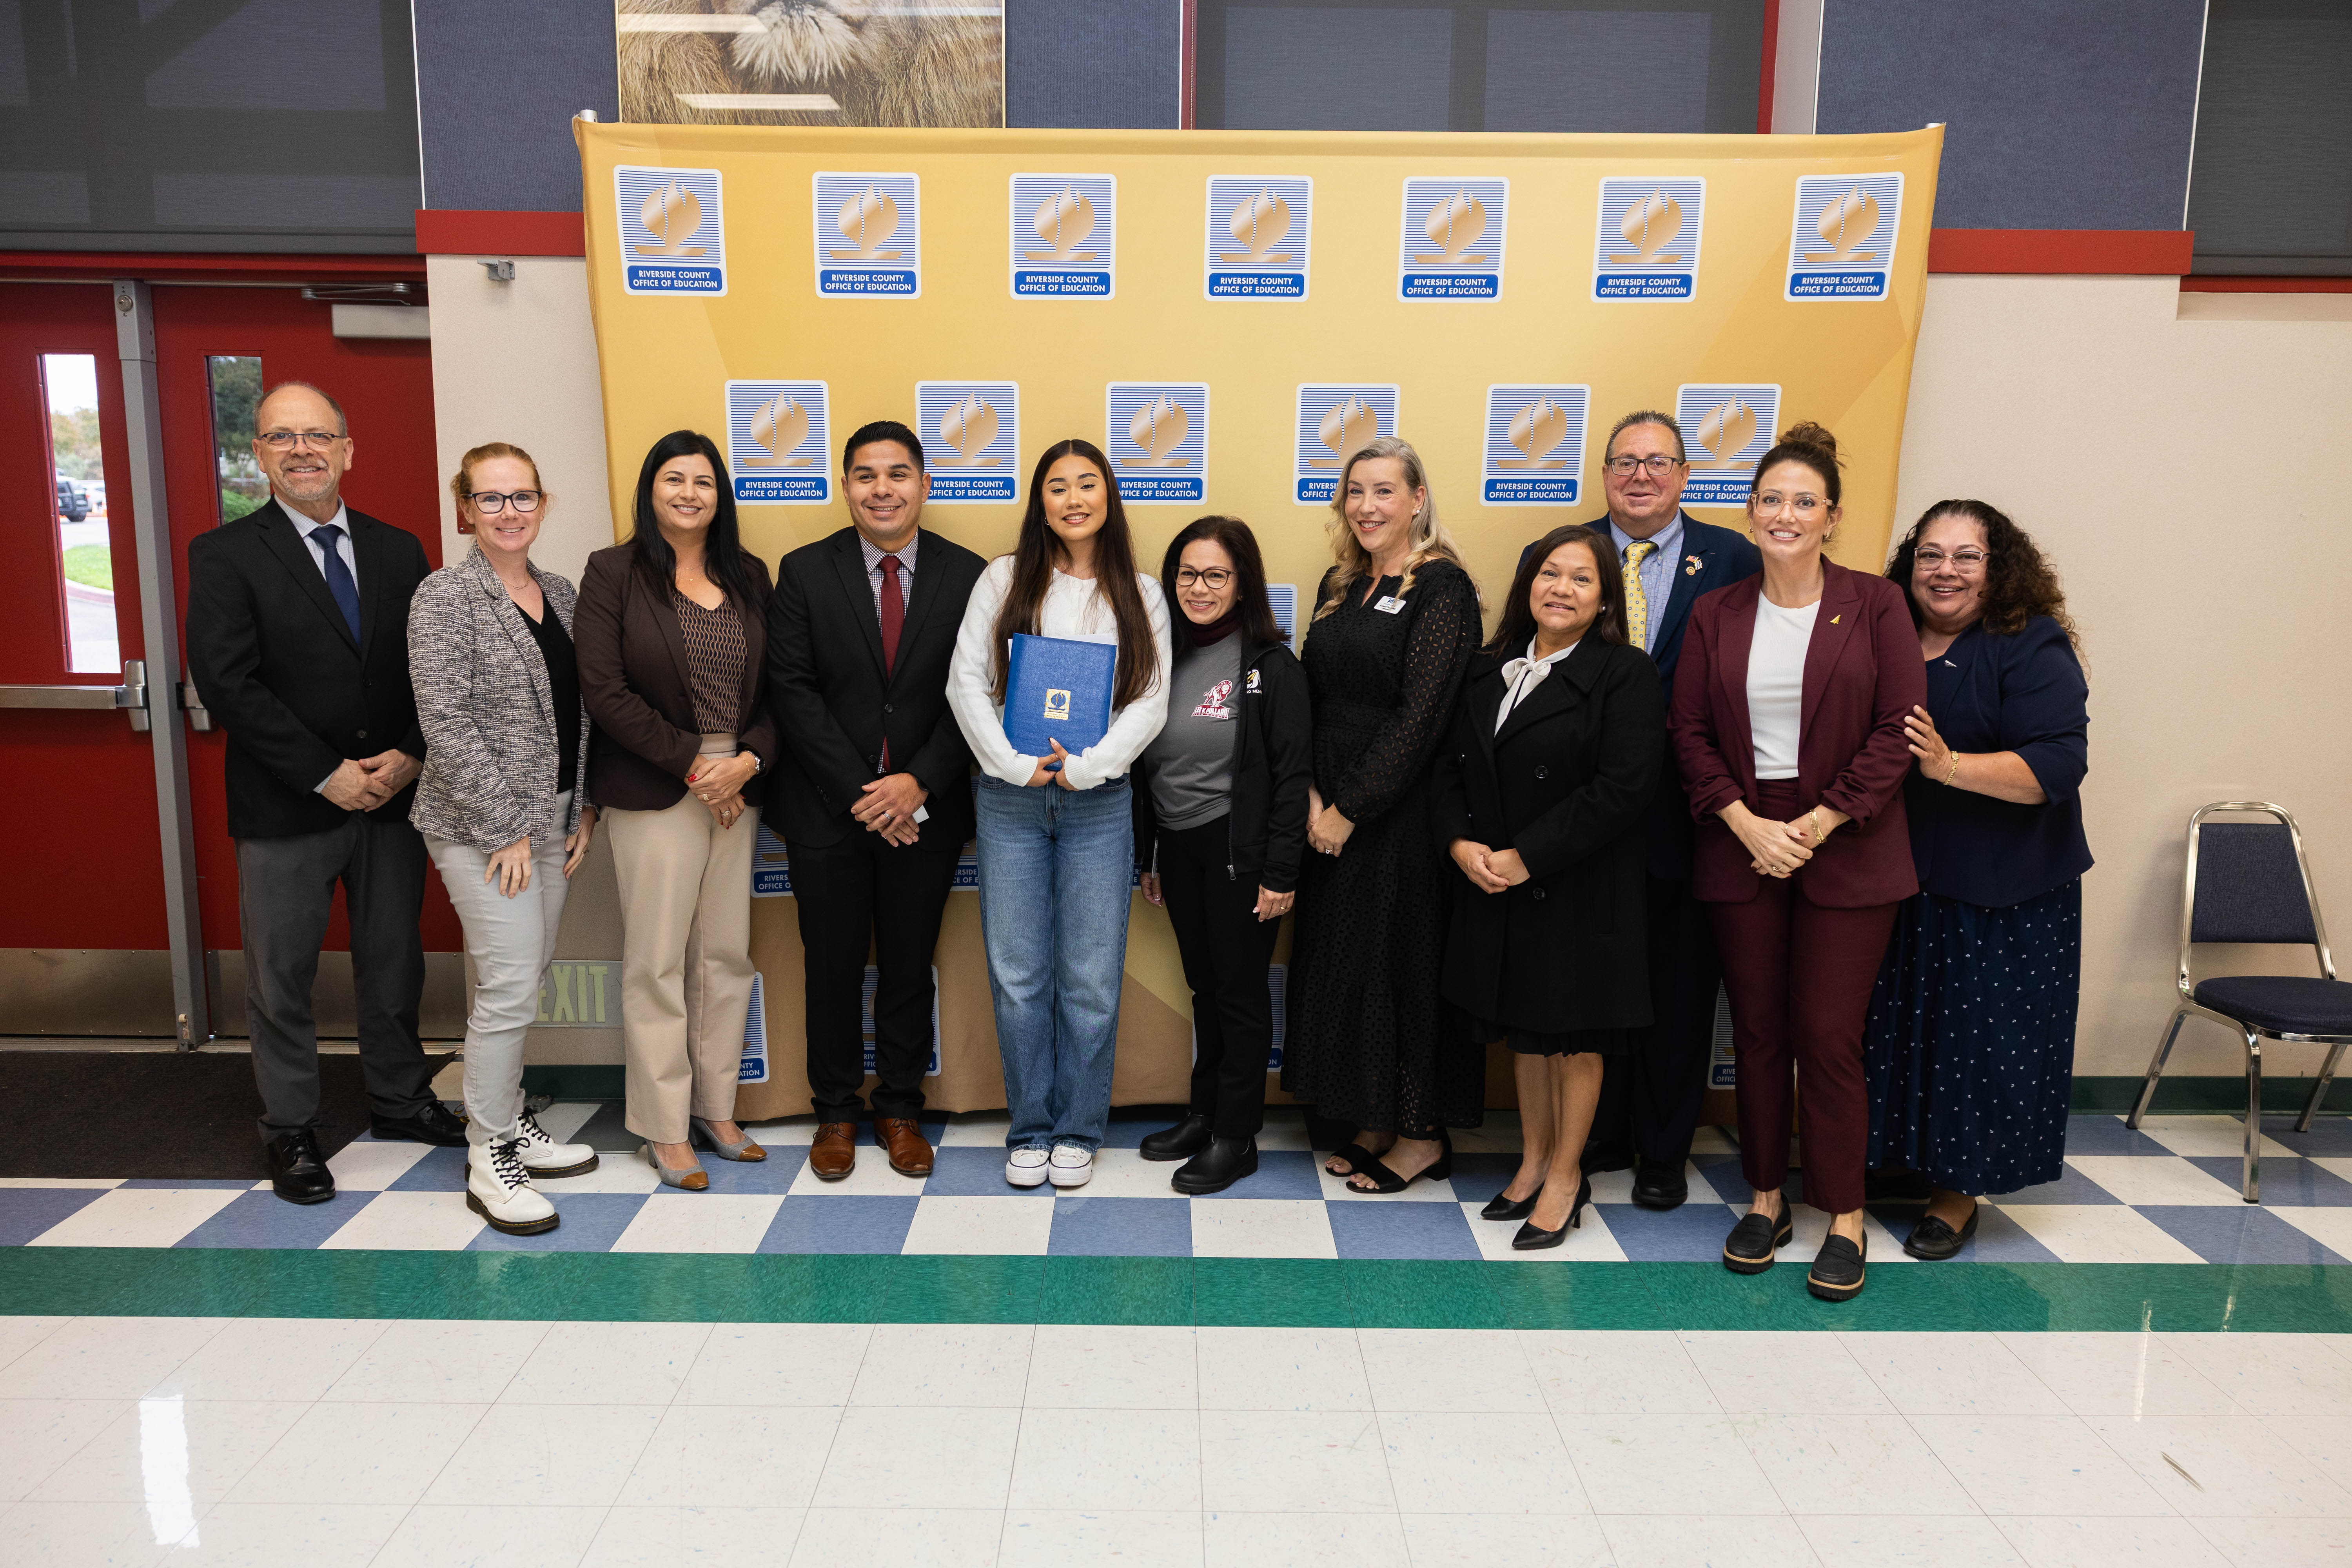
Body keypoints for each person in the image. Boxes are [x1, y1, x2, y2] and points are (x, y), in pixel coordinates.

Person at [186, 380, 464, 1205]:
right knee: (281, 977)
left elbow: (430, 669)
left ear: (348, 450)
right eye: (282, 437)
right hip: (287, 804)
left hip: (391, 797)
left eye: (317, 436)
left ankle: (401, 1097)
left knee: (394, 961)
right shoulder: (224, 554)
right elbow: (228, 683)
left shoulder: (399, 549)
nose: (301, 450)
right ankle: (292, 1127)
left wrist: (410, 755)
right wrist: (324, 772)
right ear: (258, 454)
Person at [1671, 422, 1924, 1301]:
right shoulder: (1717, 612)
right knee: (1759, 1032)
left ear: (1832, 517)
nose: (1785, 514)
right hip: (1742, 842)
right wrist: (1747, 824)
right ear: (1750, 512)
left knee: (1828, 1036)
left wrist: (1814, 824)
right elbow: (1689, 733)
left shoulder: (1877, 604)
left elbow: (1899, 730)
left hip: (1847, 843)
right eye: (1771, 499)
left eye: (1804, 502)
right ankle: (1766, 1199)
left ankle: (1844, 1215)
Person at [1522, 410, 1761, 1210]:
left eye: (1659, 461)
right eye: (1625, 461)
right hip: (1578, 812)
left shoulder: (1734, 558)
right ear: (1603, 475)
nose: (1641, 475)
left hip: (1689, 810)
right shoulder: (1562, 553)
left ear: (1686, 476)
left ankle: (1663, 1149)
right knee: (1589, 980)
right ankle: (1592, 1139)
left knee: (1678, 982)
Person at [1866, 500, 2091, 1259]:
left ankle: (1957, 1195)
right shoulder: (1887, 632)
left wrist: (1949, 765)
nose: (1946, 571)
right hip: (1904, 876)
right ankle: (1895, 1161)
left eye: (1967, 556)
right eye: (1930, 555)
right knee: (1901, 1029)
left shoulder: (2030, 643)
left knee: (1979, 1042)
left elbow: (2057, 766)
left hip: (2004, 890)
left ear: (2000, 569)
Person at [948, 438, 1172, 1189]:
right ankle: (1031, 1129)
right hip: (1009, 800)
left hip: (1099, 804)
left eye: (1087, 484)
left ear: (1109, 497)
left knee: (1091, 978)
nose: (1074, 499)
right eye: (1057, 487)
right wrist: (1015, 765)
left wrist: (1087, 767)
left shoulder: (1141, 592)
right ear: (1040, 504)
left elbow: (1151, 701)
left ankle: (1078, 1129)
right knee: (1018, 975)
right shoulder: (1004, 579)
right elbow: (965, 683)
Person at [765, 420, 986, 1182]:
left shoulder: (969, 575)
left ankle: (899, 1108)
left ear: (925, 484)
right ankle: (835, 1111)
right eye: (866, 475)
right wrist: (866, 793)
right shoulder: (804, 571)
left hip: (926, 812)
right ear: (845, 485)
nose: (882, 489)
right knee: (829, 968)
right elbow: (792, 689)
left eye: (898, 474)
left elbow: (977, 693)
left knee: (907, 966)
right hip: (828, 812)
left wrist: (917, 782)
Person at [1436, 524, 1664, 1246]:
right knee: (1527, 1035)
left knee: (1573, 1039)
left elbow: (1623, 788)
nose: (1561, 589)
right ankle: (1533, 1161)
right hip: (1497, 880)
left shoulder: (1624, 673)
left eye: (1581, 579)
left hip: (1577, 884)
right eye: (1549, 574)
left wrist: (1527, 857)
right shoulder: (1488, 667)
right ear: (1527, 584)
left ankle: (1567, 1175)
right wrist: (1460, 843)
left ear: (1605, 600)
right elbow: (1449, 769)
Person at [406, 443, 603, 1235]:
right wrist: (505, 829)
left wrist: (583, 807)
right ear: (466, 509)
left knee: (528, 974)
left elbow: (579, 712)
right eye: (490, 498)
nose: (508, 511)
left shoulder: (560, 592)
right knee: (510, 985)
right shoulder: (444, 596)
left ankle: (511, 1119)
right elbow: (445, 723)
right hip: (479, 830)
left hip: (553, 819)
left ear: (543, 504)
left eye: (522, 496)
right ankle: (489, 1154)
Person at [575, 431, 778, 1190]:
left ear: (720, 496)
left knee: (724, 954)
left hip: (737, 783)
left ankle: (716, 1109)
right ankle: (664, 1127)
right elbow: (605, 690)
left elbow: (780, 687)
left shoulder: (749, 574)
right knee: (658, 961)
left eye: (704, 481)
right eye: (674, 479)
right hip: (659, 781)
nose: (690, 493)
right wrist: (696, 765)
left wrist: (747, 761)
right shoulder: (613, 572)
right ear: (650, 490)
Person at [1287, 437, 1482, 1195]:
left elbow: (1421, 717)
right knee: (1348, 965)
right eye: (1356, 492)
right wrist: (1311, 794)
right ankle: (1373, 1118)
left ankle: (1421, 1135)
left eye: (1384, 492)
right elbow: (1312, 695)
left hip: (1399, 813)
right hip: (1327, 803)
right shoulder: (1342, 582)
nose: (1367, 507)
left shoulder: (1443, 588)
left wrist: (1351, 808)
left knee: (1402, 969)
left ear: (1417, 500)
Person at [1135, 517, 1313, 1194]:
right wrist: (1151, 854)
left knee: (1239, 993)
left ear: (1243, 584)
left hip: (1240, 850)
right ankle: (1204, 1115)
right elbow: (1148, 768)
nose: (1199, 588)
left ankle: (1237, 1138)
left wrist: (1281, 872)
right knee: (1206, 988)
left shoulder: (1271, 666)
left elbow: (1293, 779)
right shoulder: (1161, 657)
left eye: (1216, 575)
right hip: (1179, 846)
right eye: (1187, 574)